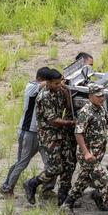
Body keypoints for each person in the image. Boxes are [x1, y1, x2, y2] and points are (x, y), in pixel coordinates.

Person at [61, 84, 108, 215]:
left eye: (102, 95)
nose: (101, 98)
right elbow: (78, 133)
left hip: (97, 155)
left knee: (82, 181)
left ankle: (66, 206)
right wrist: (86, 153)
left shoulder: (101, 109)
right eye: (98, 95)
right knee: (105, 180)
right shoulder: (85, 112)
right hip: (88, 156)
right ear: (90, 96)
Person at [0, 67, 56, 198]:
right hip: (28, 132)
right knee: (22, 162)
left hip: (41, 133)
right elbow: (42, 85)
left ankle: (47, 190)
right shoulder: (31, 87)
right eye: (52, 82)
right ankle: (7, 188)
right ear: (43, 80)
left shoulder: (45, 90)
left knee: (51, 163)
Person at [23, 69, 76, 205]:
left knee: (69, 163)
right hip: (49, 136)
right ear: (48, 82)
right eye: (56, 83)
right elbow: (53, 120)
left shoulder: (59, 91)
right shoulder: (44, 96)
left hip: (60, 133)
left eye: (60, 83)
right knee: (56, 167)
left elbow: (69, 109)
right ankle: (32, 183)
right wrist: (72, 123)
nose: (59, 86)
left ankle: (63, 197)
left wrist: (67, 93)